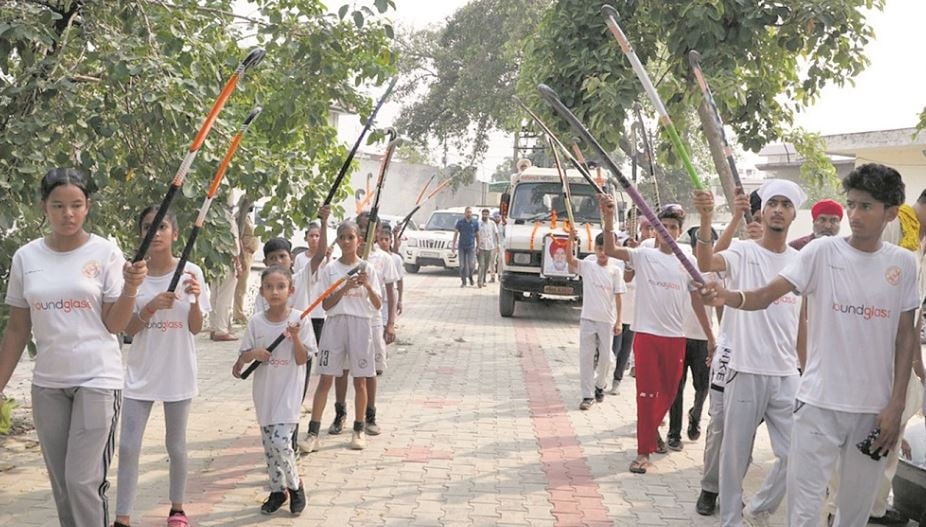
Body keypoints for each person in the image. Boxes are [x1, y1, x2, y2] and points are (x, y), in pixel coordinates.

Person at [699, 164, 918, 526]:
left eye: (866, 207)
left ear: (890, 212)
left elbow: (905, 335)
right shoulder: (822, 253)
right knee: (802, 512)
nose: (855, 215)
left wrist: (896, 405)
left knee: (854, 513)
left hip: (872, 412)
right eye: (852, 205)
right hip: (817, 405)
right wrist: (728, 296)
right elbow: (765, 295)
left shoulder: (903, 264)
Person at [0, 168, 147, 527]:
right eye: (58, 205)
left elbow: (116, 325)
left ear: (87, 207)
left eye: (76, 205)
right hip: (48, 384)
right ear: (44, 208)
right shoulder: (26, 258)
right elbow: (18, 329)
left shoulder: (105, 253)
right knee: (63, 487)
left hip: (97, 379)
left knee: (82, 481)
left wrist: (130, 288)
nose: (68, 213)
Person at [694, 180, 806, 527]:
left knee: (796, 456)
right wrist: (707, 216)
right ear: (762, 210)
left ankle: (758, 510)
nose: (778, 209)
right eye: (773, 202)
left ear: (793, 214)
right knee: (734, 457)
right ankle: (729, 519)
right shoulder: (744, 251)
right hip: (744, 369)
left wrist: (805, 367)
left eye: (786, 204)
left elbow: (801, 319)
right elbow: (706, 260)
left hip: (787, 375)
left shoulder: (801, 261)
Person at [599, 197, 714, 474]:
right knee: (646, 395)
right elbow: (613, 249)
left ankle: (651, 431)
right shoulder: (644, 254)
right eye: (662, 226)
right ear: (655, 229)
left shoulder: (686, 261)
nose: (668, 231)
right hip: (647, 336)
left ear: (679, 231)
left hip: (676, 338)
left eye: (673, 227)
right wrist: (608, 215)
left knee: (671, 391)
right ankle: (642, 453)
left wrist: (711, 336)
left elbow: (699, 299)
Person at [115, 207, 209, 527]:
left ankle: (178, 509)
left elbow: (196, 328)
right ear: (140, 233)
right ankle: (123, 516)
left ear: (175, 234)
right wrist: (151, 307)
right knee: (127, 446)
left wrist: (194, 300)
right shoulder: (132, 275)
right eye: (147, 227)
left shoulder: (191, 273)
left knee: (176, 445)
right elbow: (126, 328)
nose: (154, 233)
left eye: (162, 226)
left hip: (177, 371)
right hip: (140, 372)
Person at [695, 189, 765, 516]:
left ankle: (731, 488)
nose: (761, 224)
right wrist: (736, 217)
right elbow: (709, 261)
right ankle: (710, 488)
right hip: (729, 354)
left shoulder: (790, 260)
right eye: (759, 216)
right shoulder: (740, 251)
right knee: (720, 423)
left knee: (745, 430)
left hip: (765, 361)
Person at [232, 266, 313, 515]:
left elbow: (302, 359)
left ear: (291, 290)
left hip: (288, 394)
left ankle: (295, 486)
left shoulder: (300, 320)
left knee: (281, 441)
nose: (275, 292)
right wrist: (253, 354)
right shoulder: (256, 321)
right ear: (262, 291)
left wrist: (296, 337)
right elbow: (243, 357)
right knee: (269, 446)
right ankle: (277, 490)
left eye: (280, 287)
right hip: (264, 394)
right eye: (269, 287)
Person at [300, 221, 381, 452]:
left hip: (360, 325)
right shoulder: (330, 269)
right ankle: (313, 433)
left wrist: (367, 287)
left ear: (359, 240)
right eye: (342, 238)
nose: (346, 242)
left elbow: (376, 305)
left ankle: (358, 428)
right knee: (326, 378)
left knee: (360, 380)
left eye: (350, 237)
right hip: (335, 325)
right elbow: (325, 305)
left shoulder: (368, 269)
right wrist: (344, 288)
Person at [318, 213, 396, 440]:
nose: (350, 239)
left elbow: (387, 293)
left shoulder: (380, 259)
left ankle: (368, 416)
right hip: (343, 320)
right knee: (341, 369)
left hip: (370, 321)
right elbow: (327, 300)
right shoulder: (335, 266)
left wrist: (390, 322)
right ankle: (340, 413)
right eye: (345, 236)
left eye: (360, 231)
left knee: (367, 371)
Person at [666, 226, 717, 452]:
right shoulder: (681, 265)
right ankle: (673, 433)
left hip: (704, 338)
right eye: (700, 242)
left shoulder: (717, 271)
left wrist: (714, 338)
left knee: (703, 386)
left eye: (709, 243)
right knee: (676, 386)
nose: (704, 247)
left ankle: (695, 414)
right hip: (678, 334)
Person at [566, 230, 625, 410]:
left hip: (607, 320)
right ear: (595, 249)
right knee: (586, 357)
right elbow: (570, 261)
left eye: (605, 249)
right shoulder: (588, 266)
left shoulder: (615, 271)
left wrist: (619, 321)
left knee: (607, 357)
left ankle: (600, 384)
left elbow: (619, 297)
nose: (602, 253)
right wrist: (570, 240)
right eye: (599, 249)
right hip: (588, 319)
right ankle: (587, 395)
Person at [209, 193, 241, 341]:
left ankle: (215, 327)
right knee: (225, 297)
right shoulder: (227, 218)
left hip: (214, 261)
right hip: (227, 261)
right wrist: (238, 263)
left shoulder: (211, 215)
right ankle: (221, 330)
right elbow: (233, 243)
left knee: (215, 295)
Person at [233, 197, 259, 325]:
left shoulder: (246, 218)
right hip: (245, 254)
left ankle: (238, 312)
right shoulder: (240, 218)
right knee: (240, 286)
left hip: (249, 254)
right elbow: (239, 237)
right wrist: (241, 257)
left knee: (243, 285)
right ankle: (238, 314)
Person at [452, 207, 479, 287]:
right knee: (462, 265)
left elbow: (477, 235)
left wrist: (478, 246)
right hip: (462, 247)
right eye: (467, 212)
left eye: (470, 212)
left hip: (471, 246)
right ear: (465, 213)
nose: (469, 214)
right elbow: (456, 234)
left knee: (472, 264)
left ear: (472, 213)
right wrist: (453, 246)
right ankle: (463, 281)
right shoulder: (460, 222)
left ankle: (470, 276)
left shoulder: (475, 222)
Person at [476, 208, 499, 288]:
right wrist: (477, 246)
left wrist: (498, 245)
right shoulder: (479, 224)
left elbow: (496, 234)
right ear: (482, 215)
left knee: (486, 266)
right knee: (481, 264)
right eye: (484, 214)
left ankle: (484, 280)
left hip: (490, 246)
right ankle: (479, 281)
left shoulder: (492, 223)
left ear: (489, 215)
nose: (485, 216)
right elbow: (476, 234)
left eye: (486, 214)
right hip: (481, 246)